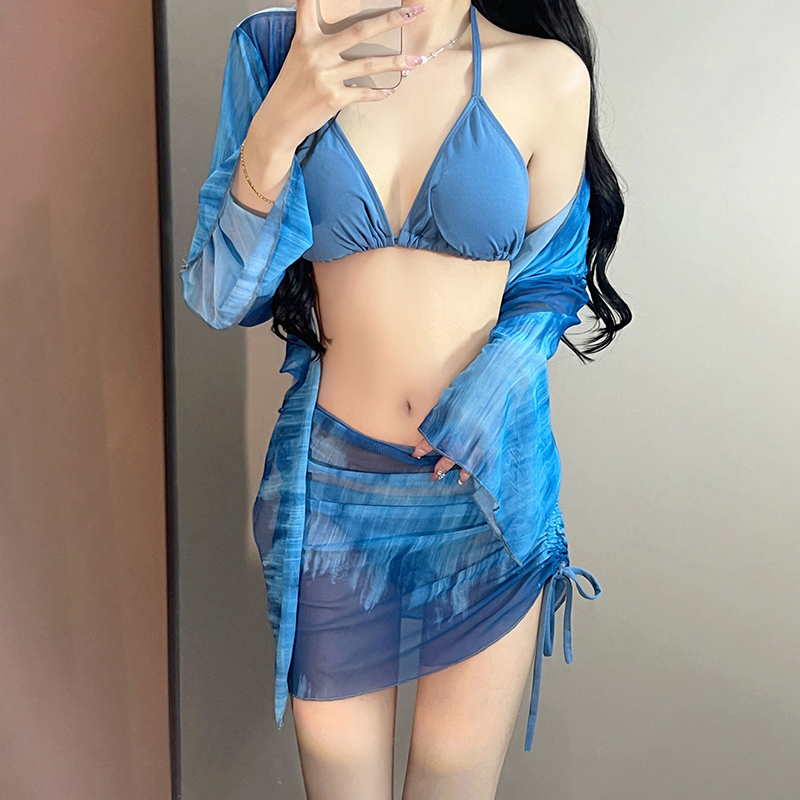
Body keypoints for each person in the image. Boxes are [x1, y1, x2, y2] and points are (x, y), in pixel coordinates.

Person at [180, 0, 630, 797]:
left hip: (484, 503)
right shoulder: (277, 50)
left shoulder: (547, 74)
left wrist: (493, 385)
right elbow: (220, 295)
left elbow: (552, 282)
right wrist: (278, 126)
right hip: (334, 505)